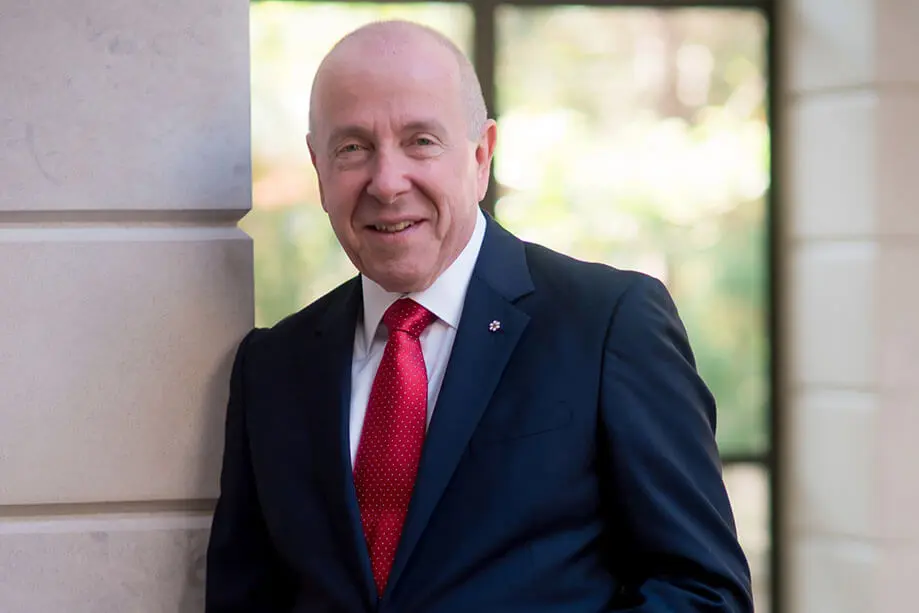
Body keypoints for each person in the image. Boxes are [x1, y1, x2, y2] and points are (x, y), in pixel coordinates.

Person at [205, 19, 753, 613]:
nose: (387, 183)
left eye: (420, 141)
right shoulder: (272, 367)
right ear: (319, 167)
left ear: (480, 155)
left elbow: (704, 593)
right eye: (353, 148)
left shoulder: (607, 325)